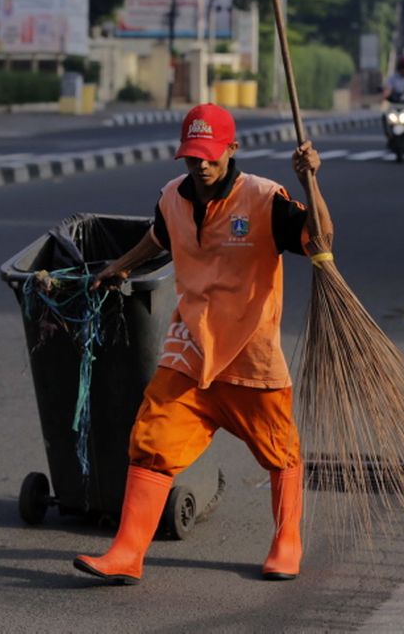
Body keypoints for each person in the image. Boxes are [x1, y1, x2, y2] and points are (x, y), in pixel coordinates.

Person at [74, 103, 333, 585]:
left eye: (210, 155)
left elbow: (320, 240)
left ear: (231, 150)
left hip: (249, 357)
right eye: (193, 156)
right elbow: (160, 236)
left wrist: (309, 181)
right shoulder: (172, 196)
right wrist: (121, 265)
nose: (201, 165)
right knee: (150, 440)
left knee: (281, 453)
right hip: (190, 349)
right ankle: (127, 552)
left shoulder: (264, 200)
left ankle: (287, 541)